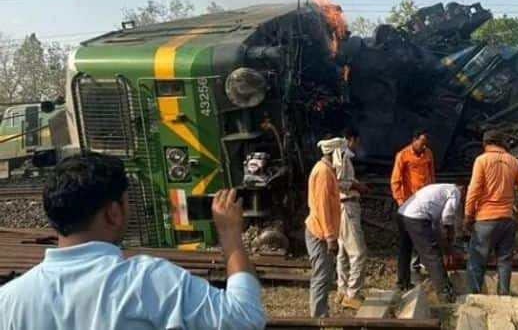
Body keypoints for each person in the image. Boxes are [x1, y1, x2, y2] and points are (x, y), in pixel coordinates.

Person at [0, 152, 266, 330]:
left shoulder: (9, 301)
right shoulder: (148, 280)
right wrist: (231, 237)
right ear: (113, 212)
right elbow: (244, 317)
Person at [463, 130, 518, 296]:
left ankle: (475, 298)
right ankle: (503, 297)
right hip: (507, 219)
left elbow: (474, 191)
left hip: (485, 218)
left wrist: (468, 216)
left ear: (485, 144)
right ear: (503, 143)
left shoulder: (482, 160)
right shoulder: (514, 161)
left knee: (477, 261)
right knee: (505, 261)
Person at [396, 182, 462, 302]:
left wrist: (446, 245)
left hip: (402, 213)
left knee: (405, 250)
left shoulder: (440, 190)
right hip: (416, 217)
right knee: (432, 254)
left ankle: (402, 283)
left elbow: (436, 227)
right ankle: (445, 293)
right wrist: (450, 235)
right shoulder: (455, 192)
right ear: (463, 188)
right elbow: (447, 217)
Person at [332, 128, 369, 309]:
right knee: (358, 252)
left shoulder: (338, 155)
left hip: (342, 206)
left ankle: (342, 288)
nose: (357, 145)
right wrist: (358, 186)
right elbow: (340, 183)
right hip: (347, 205)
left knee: (343, 252)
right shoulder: (343, 156)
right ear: (351, 139)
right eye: (356, 141)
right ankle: (352, 293)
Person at [306, 138, 343, 317]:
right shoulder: (323, 173)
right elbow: (323, 207)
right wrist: (330, 237)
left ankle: (321, 314)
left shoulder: (327, 170)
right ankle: (319, 319)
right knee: (321, 277)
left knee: (325, 276)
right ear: (335, 153)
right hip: (319, 233)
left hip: (321, 231)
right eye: (341, 153)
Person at [391, 129, 435, 273]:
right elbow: (396, 180)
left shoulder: (428, 154)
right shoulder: (403, 155)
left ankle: (422, 264)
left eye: (425, 143)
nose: (423, 146)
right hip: (410, 202)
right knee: (409, 237)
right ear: (414, 140)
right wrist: (400, 200)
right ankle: (410, 269)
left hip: (426, 201)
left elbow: (431, 175)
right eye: (421, 142)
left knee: (426, 233)